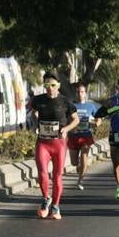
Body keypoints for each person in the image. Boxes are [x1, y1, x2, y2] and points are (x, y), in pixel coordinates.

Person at [27, 73, 80, 220]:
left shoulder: (65, 102)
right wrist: (35, 123)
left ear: (58, 85)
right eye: (46, 86)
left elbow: (76, 120)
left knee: (57, 176)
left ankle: (56, 206)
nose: (50, 89)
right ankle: (46, 200)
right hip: (43, 142)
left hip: (59, 144)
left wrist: (66, 129)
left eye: (53, 85)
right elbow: (33, 113)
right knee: (42, 173)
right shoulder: (38, 100)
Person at [66, 82, 99, 191]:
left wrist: (94, 122)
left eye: (82, 92)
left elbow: (99, 119)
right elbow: (66, 119)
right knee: (74, 162)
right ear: (75, 94)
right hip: (73, 136)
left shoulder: (91, 106)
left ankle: (80, 180)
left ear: (85, 94)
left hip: (86, 135)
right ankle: (79, 167)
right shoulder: (71, 106)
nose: (80, 94)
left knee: (84, 155)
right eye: (78, 92)